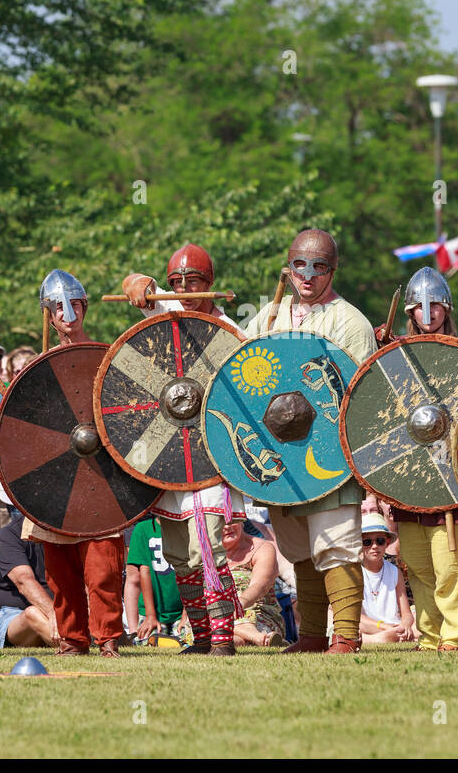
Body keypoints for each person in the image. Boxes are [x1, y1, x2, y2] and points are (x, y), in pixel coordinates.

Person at [247, 229, 377, 653]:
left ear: (332, 270)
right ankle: (312, 635)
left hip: (330, 452)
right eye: (299, 265)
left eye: (318, 266)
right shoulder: (271, 313)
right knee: (300, 549)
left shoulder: (350, 321)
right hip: (282, 452)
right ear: (289, 267)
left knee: (336, 545)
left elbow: (359, 394)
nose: (307, 276)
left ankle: (347, 637)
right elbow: (238, 365)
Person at [121, 244, 248, 655]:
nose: (185, 288)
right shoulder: (168, 312)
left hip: (212, 452)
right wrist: (139, 284)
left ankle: (224, 639)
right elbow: (134, 283)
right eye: (177, 282)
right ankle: (204, 637)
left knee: (207, 546)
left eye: (193, 281)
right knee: (178, 552)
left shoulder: (231, 334)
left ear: (209, 284)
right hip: (169, 452)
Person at [26, 269, 127, 656]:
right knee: (61, 568)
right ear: (49, 315)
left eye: (75, 305)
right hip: (56, 475)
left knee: (102, 567)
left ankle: (108, 638)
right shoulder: (38, 367)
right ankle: (72, 638)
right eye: (58, 308)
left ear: (84, 307)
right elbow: (27, 428)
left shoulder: (105, 357)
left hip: (99, 473)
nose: (68, 313)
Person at [379, 267, 458, 650]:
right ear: (410, 312)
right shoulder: (395, 354)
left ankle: (453, 634)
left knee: (448, 563)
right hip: (410, 469)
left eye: (436, 306)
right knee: (416, 562)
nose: (429, 313)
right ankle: (429, 633)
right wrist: (379, 350)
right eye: (421, 307)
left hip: (450, 473)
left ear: (446, 309)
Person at [0, 512, 57, 649]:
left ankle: (68, 638)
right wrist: (53, 614)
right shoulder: (10, 534)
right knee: (33, 614)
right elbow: (24, 582)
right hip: (12, 615)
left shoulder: (66, 533)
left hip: (59, 611)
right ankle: (70, 643)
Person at [219, 516, 286, 647]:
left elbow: (260, 585)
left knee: (218, 620)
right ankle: (258, 639)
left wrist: (238, 605)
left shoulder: (262, 548)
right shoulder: (205, 553)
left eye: (231, 520)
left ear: (242, 520)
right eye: (219, 523)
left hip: (257, 613)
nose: (227, 526)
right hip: (215, 613)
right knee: (215, 622)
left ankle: (255, 637)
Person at [125, 516, 185, 645]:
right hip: (151, 612)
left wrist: (187, 614)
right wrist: (135, 628)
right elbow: (140, 574)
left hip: (183, 611)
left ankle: (177, 641)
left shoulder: (188, 526)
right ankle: (172, 642)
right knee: (146, 639)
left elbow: (196, 571)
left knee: (193, 636)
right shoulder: (142, 529)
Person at [358, 514, 415, 643]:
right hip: (370, 626)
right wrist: (384, 627)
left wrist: (405, 625)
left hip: (393, 625)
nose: (374, 546)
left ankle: (381, 637)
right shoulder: (355, 572)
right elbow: (358, 617)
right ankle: (382, 637)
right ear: (359, 544)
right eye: (367, 542)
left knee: (421, 619)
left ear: (387, 543)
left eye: (380, 541)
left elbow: (406, 613)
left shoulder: (395, 571)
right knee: (349, 622)